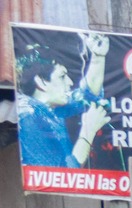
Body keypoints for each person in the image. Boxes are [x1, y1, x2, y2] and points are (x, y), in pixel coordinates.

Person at [16, 32, 110, 170]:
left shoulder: (49, 108)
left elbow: (87, 94)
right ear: (41, 82)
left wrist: (98, 57)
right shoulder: (28, 117)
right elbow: (58, 174)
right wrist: (88, 131)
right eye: (62, 76)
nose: (70, 82)